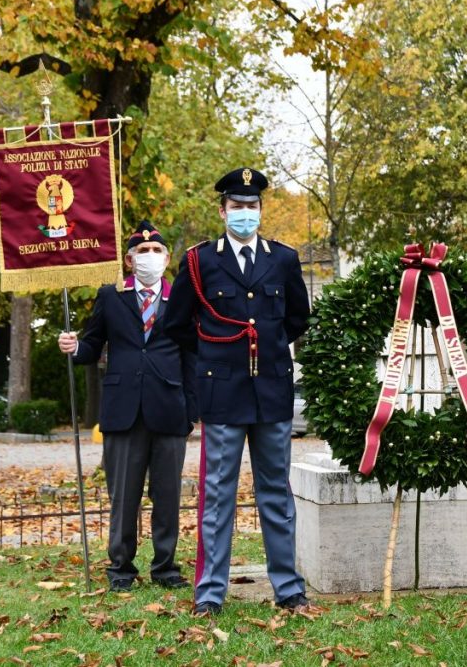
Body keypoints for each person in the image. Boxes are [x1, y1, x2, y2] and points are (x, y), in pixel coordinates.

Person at [166, 167, 311, 616]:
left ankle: (288, 589)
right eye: (237, 206)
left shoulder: (283, 258)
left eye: (252, 206)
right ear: (223, 209)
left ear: (261, 210)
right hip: (222, 394)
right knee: (217, 497)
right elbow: (178, 325)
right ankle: (210, 593)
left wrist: (263, 348)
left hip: (271, 390)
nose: (245, 214)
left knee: (276, 493)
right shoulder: (199, 260)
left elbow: (297, 319)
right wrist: (215, 357)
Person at [58, 220, 197, 592]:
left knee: (167, 495)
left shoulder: (181, 297)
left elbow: (192, 357)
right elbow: (91, 345)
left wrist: (191, 411)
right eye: (141, 252)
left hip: (169, 408)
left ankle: (165, 567)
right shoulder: (111, 295)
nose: (148, 257)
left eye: (156, 251)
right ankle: (121, 567)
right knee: (124, 495)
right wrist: (74, 348)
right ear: (128, 259)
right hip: (123, 410)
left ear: (167, 258)